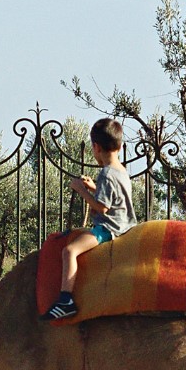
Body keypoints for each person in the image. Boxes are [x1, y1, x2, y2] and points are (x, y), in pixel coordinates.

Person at [41, 117, 137, 320]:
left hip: (109, 229)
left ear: (96, 146)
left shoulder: (107, 173)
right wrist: (93, 187)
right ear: (119, 145)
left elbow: (102, 208)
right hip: (125, 224)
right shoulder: (121, 171)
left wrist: (80, 191)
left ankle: (66, 300)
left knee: (69, 251)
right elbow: (113, 197)